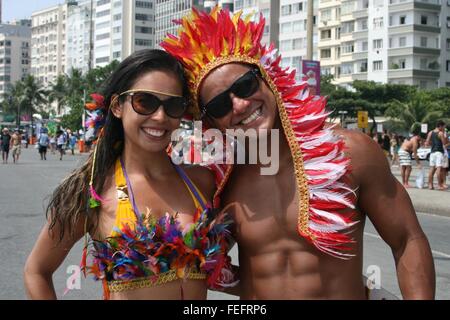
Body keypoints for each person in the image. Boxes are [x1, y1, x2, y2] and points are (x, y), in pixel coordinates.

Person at [162, 7, 435, 299]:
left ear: (268, 77)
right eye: (219, 105)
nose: (240, 105)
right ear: (210, 121)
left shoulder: (350, 153)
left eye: (245, 85)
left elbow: (407, 239)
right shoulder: (219, 181)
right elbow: (198, 262)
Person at [24, 49, 237, 300]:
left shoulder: (203, 182)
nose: (159, 116)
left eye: (173, 105)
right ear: (117, 106)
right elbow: (36, 271)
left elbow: (226, 270)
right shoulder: (93, 191)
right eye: (144, 102)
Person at [426, 120, 448, 190]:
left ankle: (430, 185)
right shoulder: (440, 133)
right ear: (440, 126)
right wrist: (446, 137)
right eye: (443, 127)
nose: (444, 128)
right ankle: (439, 185)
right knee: (439, 168)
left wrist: (432, 144)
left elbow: (427, 143)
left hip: (432, 152)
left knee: (431, 169)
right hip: (439, 152)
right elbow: (444, 143)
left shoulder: (430, 132)